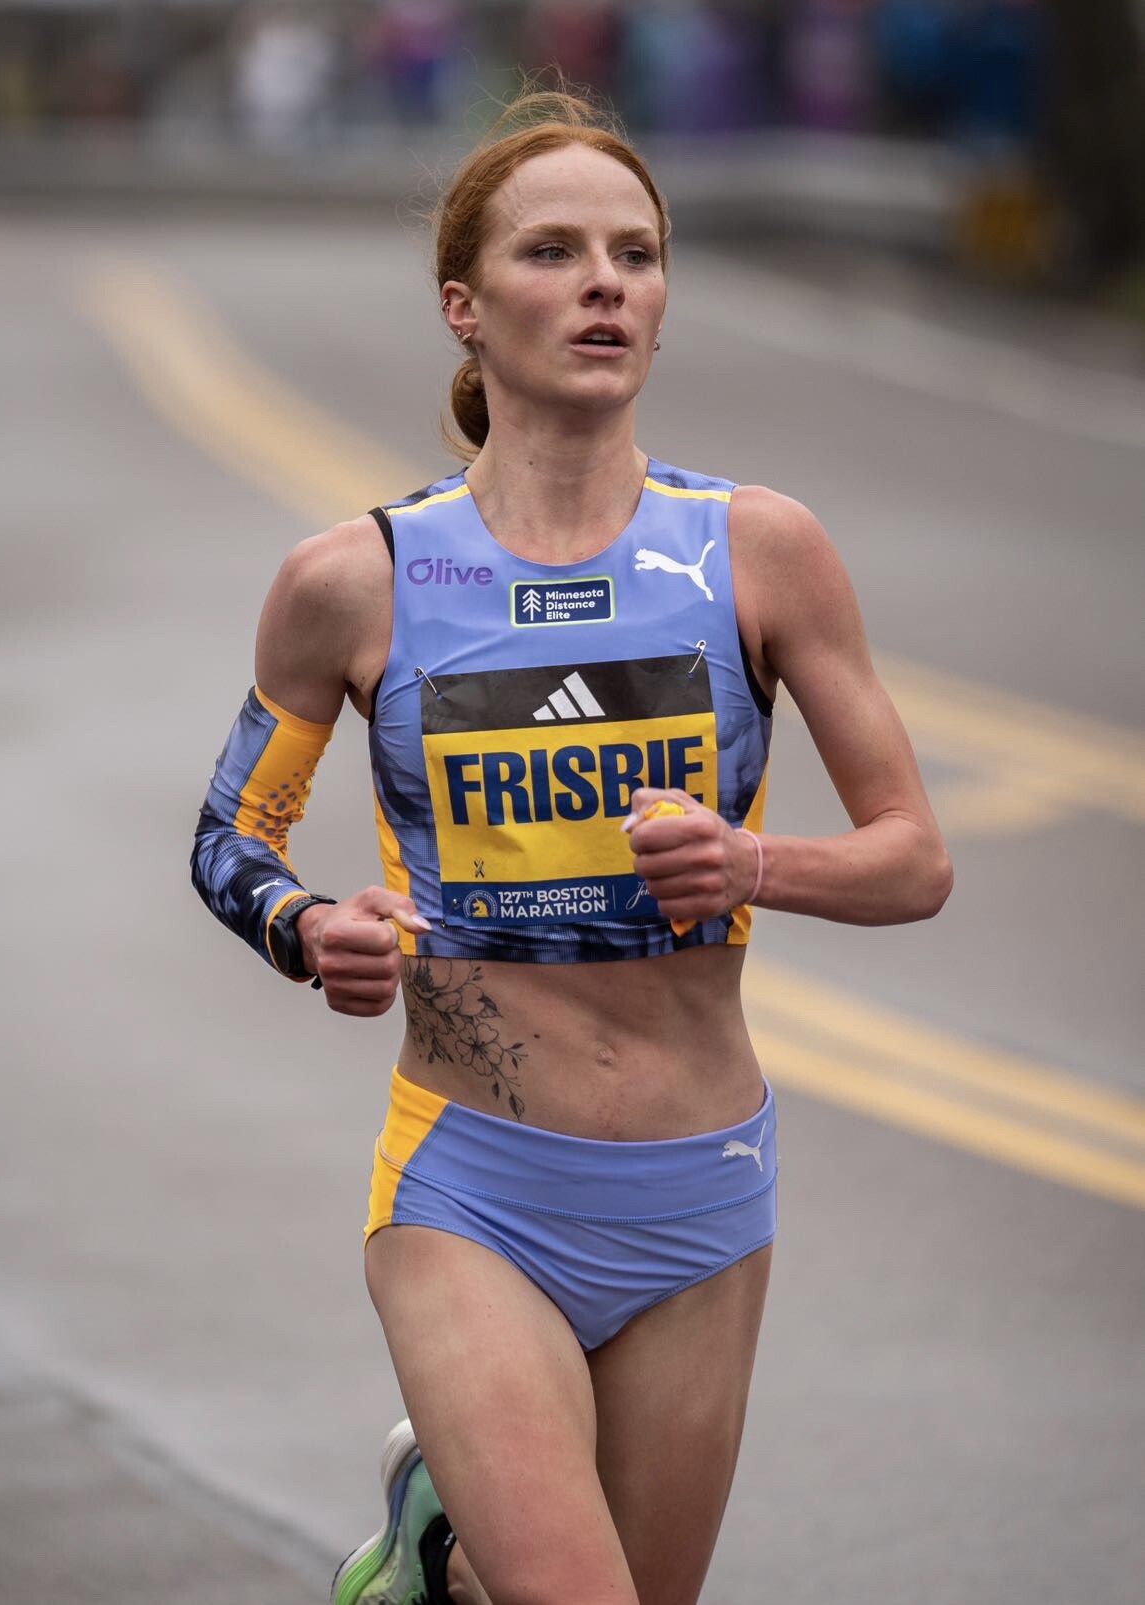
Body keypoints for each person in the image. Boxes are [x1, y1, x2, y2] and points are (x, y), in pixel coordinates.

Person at [192, 87, 952, 1605]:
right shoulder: (358, 580)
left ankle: (442, 1551)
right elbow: (233, 832)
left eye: (636, 254)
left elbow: (914, 857)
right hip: (469, 1186)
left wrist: (753, 866)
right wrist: (306, 927)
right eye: (553, 252)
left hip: (702, 1195)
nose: (605, 282)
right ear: (464, 306)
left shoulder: (759, 550)